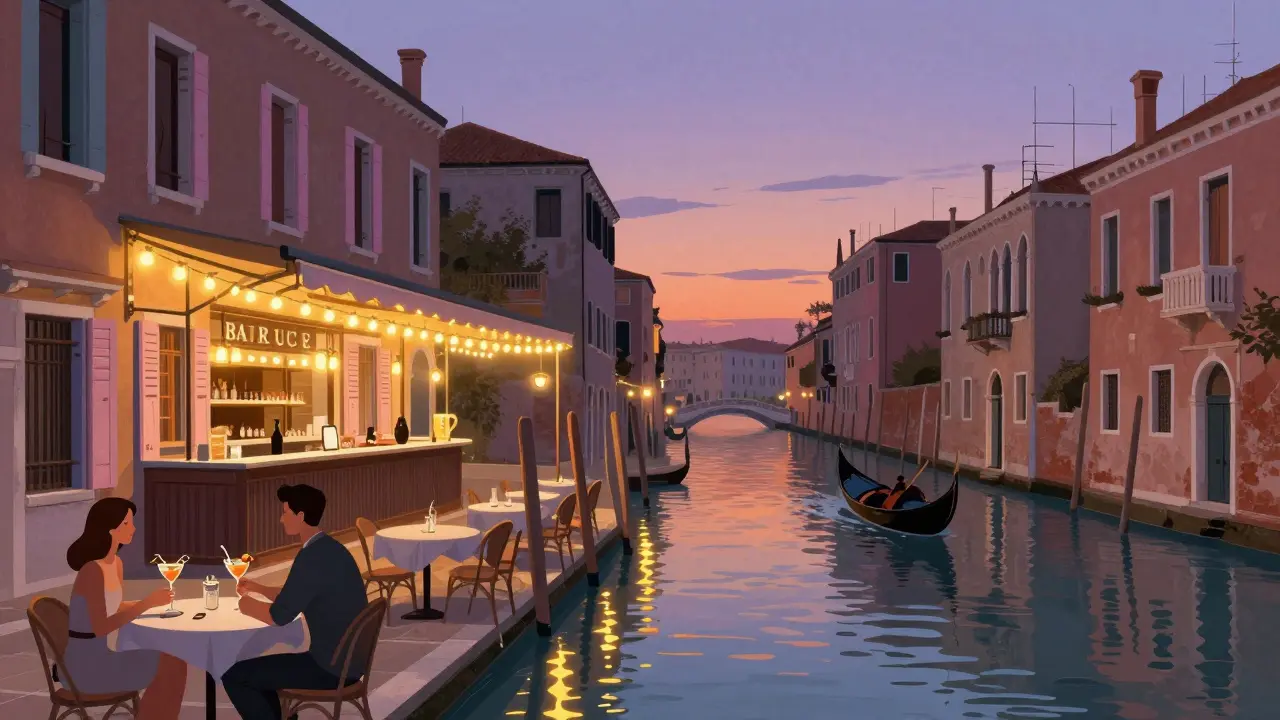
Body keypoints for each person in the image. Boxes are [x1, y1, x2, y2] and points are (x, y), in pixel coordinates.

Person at [222, 484, 368, 719]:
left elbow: (279, 616)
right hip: (349, 662)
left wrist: (245, 604)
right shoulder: (331, 549)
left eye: (285, 512)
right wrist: (258, 588)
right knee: (259, 674)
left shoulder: (310, 557)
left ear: (300, 516)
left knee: (234, 675)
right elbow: (297, 594)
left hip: (329, 668)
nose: (281, 519)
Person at [64, 497, 187, 719]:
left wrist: (151, 604)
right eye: (127, 524)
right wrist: (144, 605)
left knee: (175, 659)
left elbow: (113, 605)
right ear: (110, 530)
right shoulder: (92, 571)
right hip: (88, 665)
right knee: (169, 665)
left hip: (107, 652)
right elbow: (101, 626)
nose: (133, 528)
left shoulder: (116, 564)